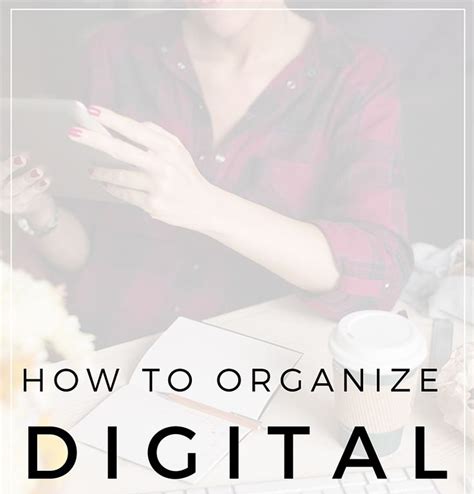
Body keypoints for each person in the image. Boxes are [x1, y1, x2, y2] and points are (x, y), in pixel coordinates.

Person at [2, 3, 412, 346]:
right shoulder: (112, 50)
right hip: (106, 355)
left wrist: (206, 206)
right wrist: (38, 210)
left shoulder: (354, 76)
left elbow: (378, 274)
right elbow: (85, 256)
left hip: (253, 372)